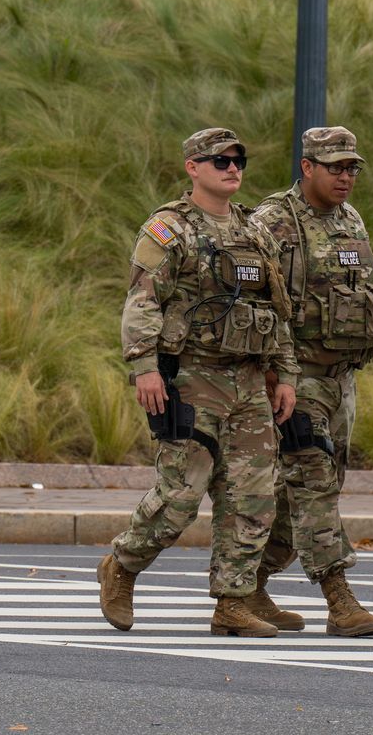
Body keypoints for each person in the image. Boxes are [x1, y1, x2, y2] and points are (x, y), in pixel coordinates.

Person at [98, 128, 299, 637]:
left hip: (248, 382)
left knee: (253, 497)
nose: (232, 168)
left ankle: (233, 603)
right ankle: (122, 565)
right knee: (180, 497)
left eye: (238, 160)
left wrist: (285, 374)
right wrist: (144, 366)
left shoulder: (254, 231)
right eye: (219, 161)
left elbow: (276, 310)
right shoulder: (170, 228)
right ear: (193, 167)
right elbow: (143, 300)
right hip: (192, 378)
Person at [247, 126, 373, 637]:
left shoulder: (351, 220)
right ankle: (339, 598)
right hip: (294, 377)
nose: (345, 177)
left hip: (340, 379)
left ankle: (248, 584)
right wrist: (274, 373)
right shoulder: (272, 222)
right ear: (307, 167)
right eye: (335, 168)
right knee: (315, 483)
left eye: (352, 168)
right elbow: (255, 304)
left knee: (301, 495)